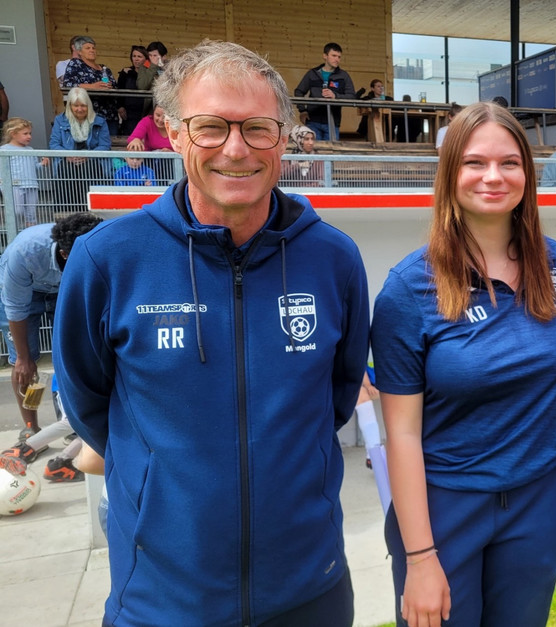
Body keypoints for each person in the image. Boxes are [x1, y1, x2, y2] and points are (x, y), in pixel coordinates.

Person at [53, 39, 369, 626]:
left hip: (310, 590)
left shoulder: (334, 259)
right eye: (210, 127)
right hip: (162, 600)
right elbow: (89, 405)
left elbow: (337, 397)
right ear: (171, 132)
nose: (236, 149)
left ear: (282, 138)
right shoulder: (108, 261)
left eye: (257, 128)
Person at [371, 101, 556, 627]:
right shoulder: (408, 287)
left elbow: (552, 368)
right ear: (449, 174)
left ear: (527, 176)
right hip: (446, 508)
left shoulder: (552, 260)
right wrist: (419, 558)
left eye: (510, 163)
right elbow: (401, 434)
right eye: (474, 162)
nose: (494, 176)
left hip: (539, 499)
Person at [0, 214, 103, 441]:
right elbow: (15, 308)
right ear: (65, 253)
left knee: (72, 357)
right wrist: (24, 358)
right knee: (23, 364)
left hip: (64, 289)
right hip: (25, 291)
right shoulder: (26, 252)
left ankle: (71, 424)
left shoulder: (97, 243)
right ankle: (30, 427)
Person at [48, 87, 111, 213]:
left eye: (83, 105)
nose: (79, 109)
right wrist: (68, 155)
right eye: (75, 105)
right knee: (66, 171)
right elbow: (54, 144)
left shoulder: (100, 121)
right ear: (69, 106)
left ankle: (93, 213)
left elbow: (105, 145)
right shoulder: (60, 120)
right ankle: (65, 214)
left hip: (92, 161)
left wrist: (88, 155)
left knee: (92, 169)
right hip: (67, 161)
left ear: (89, 105)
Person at [294, 42, 356, 141]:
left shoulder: (343, 76)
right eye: (334, 56)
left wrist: (335, 96)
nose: (337, 59)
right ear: (325, 56)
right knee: (313, 153)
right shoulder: (312, 73)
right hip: (313, 120)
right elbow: (299, 92)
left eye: (339, 57)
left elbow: (352, 96)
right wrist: (303, 111)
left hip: (332, 122)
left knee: (331, 154)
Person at [61, 36, 119, 138]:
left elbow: (114, 85)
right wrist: (92, 86)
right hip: (88, 114)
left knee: (110, 144)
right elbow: (68, 84)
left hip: (109, 114)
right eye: (87, 48)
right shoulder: (76, 64)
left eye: (93, 48)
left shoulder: (104, 68)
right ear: (79, 52)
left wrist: (109, 86)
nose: (92, 50)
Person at [1, 118, 50, 228]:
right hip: (14, 185)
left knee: (31, 213)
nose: (29, 136)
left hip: (31, 184)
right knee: (16, 211)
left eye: (30, 133)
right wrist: (2, 184)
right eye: (25, 133)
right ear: (13, 134)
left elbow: (34, 166)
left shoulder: (30, 150)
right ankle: (15, 231)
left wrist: (42, 164)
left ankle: (30, 231)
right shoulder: (4, 150)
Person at [126, 104, 174, 183]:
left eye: (165, 117)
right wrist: (136, 140)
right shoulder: (147, 121)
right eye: (157, 115)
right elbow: (132, 139)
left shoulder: (177, 126)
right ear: (153, 113)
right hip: (150, 164)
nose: (161, 120)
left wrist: (172, 153)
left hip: (172, 165)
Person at [116, 45, 149, 135]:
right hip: (129, 111)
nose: (136, 59)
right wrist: (120, 106)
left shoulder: (149, 73)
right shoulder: (125, 72)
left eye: (139, 56)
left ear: (145, 59)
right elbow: (119, 89)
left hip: (145, 110)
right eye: (134, 56)